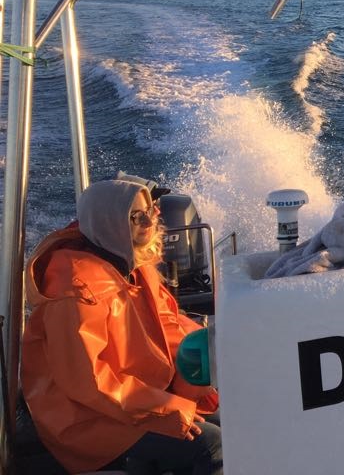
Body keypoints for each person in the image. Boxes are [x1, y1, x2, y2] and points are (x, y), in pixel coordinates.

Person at [21, 179, 222, 475]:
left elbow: (169, 327)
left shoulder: (133, 265)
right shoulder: (76, 291)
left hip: (136, 402)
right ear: (107, 222)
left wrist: (206, 370)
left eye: (150, 211)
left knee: (235, 416)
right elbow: (89, 384)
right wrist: (170, 411)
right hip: (87, 422)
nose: (149, 222)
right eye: (135, 217)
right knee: (211, 445)